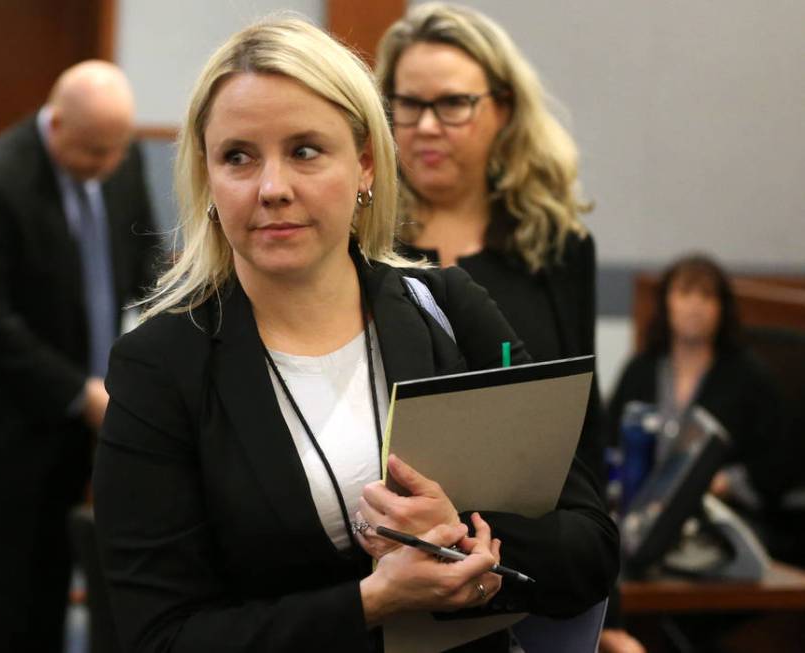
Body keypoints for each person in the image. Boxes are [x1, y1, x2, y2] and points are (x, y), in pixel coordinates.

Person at [93, 17, 617, 653]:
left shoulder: (447, 311)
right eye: (238, 156)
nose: (273, 187)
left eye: (306, 150)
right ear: (206, 178)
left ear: (366, 162)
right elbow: (159, 637)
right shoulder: (161, 366)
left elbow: (589, 545)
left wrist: (462, 534)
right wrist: (372, 603)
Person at [374, 7, 637, 650]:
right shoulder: (369, 247)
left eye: (453, 104)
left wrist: (612, 615)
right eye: (408, 105)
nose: (428, 126)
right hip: (396, 554)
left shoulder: (556, 247)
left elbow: (584, 434)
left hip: (534, 564)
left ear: (502, 109)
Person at [0, 60, 158, 652]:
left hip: (83, 414)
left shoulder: (116, 167)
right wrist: (81, 391)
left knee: (67, 567)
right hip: (0, 423)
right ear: (56, 124)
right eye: (92, 152)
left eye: (115, 151)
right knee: (11, 597)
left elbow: (146, 268)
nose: (105, 167)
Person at [608, 254, 786, 521]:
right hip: (639, 513)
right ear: (666, 303)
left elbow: (780, 458)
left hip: (719, 516)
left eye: (706, 296)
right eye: (684, 293)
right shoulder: (641, 368)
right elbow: (608, 441)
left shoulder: (748, 375)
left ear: (721, 308)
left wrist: (725, 482)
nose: (695, 305)